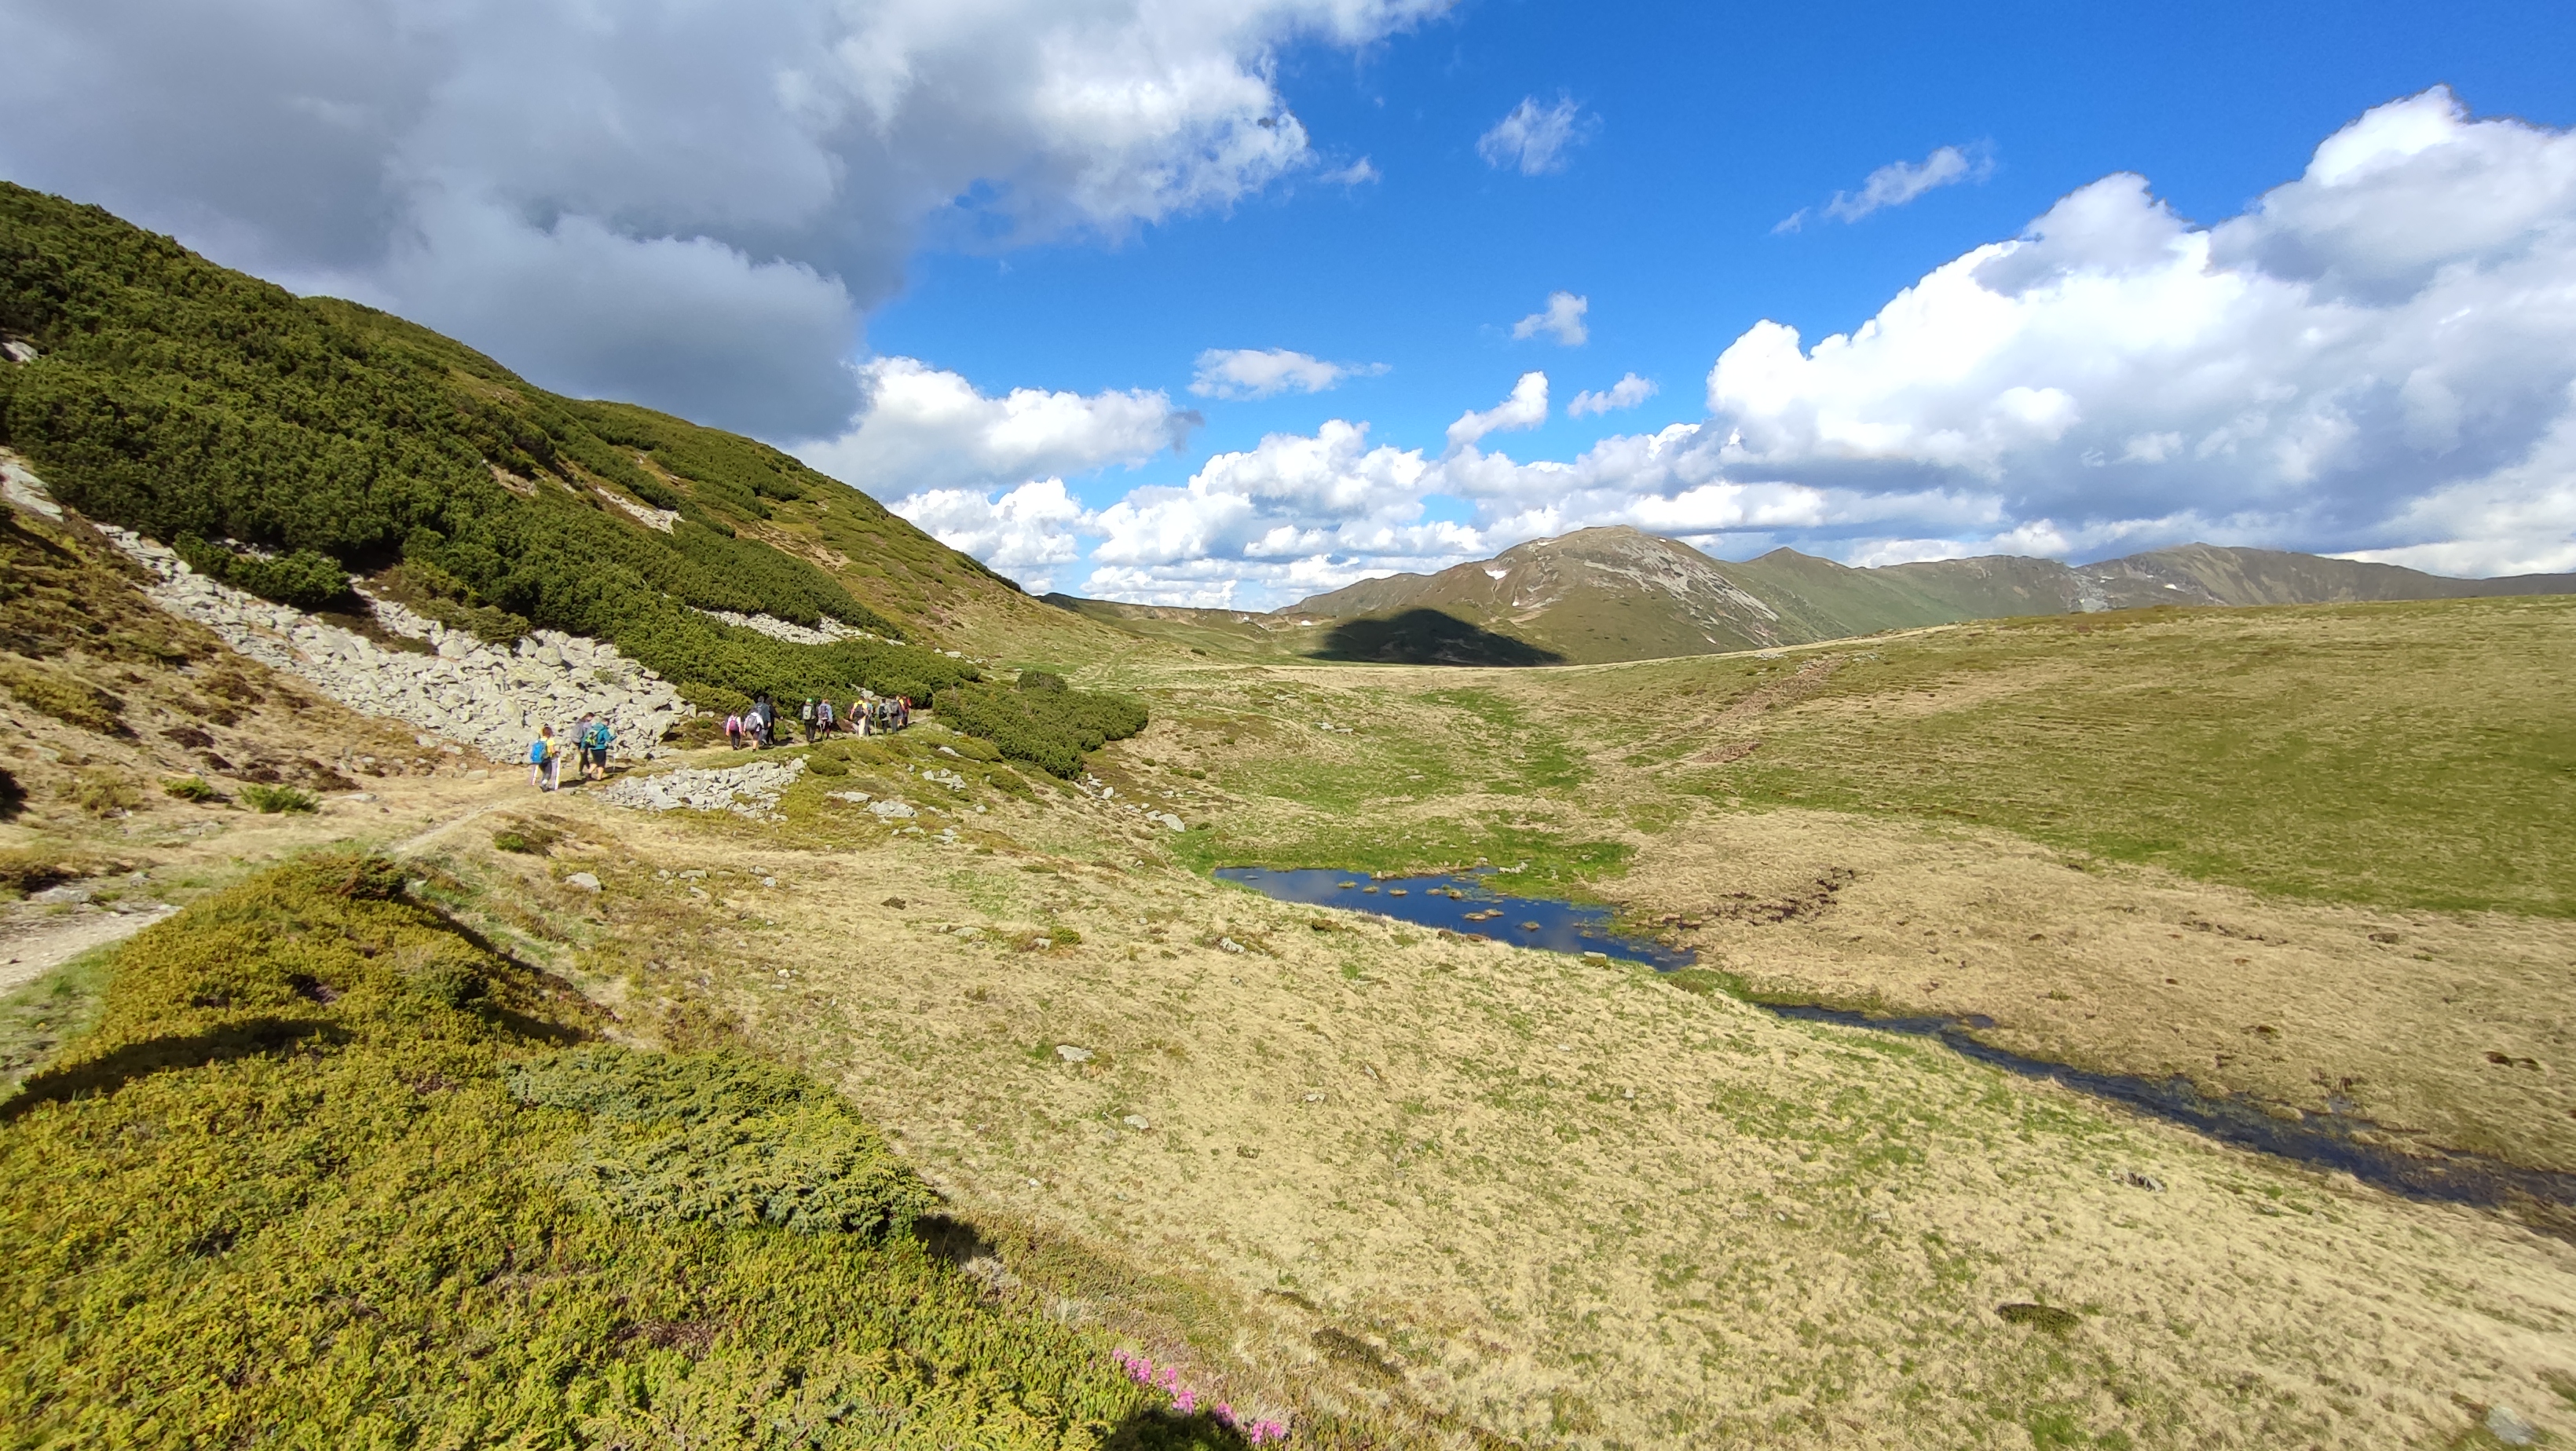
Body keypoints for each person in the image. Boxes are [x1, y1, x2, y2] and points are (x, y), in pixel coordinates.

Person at [583, 715, 615, 780]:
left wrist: (583, 747)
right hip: (601, 748)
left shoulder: (593, 729)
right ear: (606, 722)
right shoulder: (604, 731)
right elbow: (608, 739)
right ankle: (599, 778)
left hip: (592, 748)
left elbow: (585, 738)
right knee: (601, 764)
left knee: (596, 761)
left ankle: (589, 774)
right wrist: (614, 736)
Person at [528, 724, 558, 791]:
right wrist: (557, 752)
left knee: (544, 772)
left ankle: (544, 786)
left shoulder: (539, 740)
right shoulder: (549, 741)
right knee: (548, 773)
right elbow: (553, 751)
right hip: (546, 759)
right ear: (549, 733)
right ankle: (543, 784)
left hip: (539, 759)